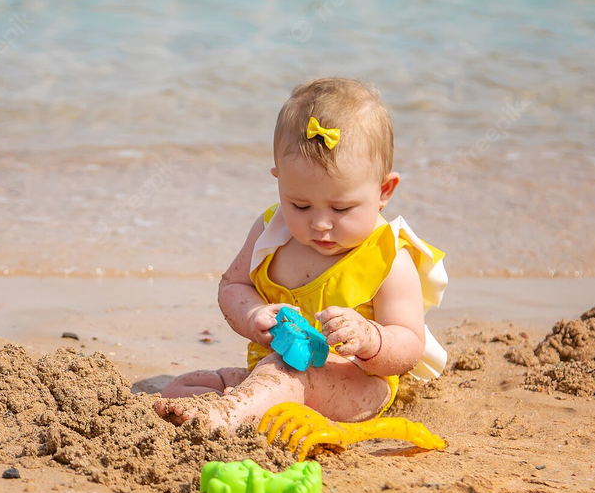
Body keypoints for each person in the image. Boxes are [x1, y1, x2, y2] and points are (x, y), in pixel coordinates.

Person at [153, 77, 448, 432]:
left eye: (341, 208)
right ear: (280, 183)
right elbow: (232, 286)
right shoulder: (271, 233)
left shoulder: (388, 258)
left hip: (355, 384)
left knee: (281, 380)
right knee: (185, 387)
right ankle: (244, 405)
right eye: (301, 204)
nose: (321, 224)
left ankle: (227, 417)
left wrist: (371, 338)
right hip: (273, 368)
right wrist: (253, 315)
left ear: (384, 191)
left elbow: (410, 344)